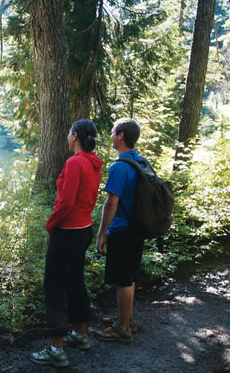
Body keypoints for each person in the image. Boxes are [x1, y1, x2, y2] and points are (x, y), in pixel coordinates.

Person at [30, 119, 103, 368]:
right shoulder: (94, 163)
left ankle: (56, 350)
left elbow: (66, 202)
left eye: (69, 132)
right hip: (83, 230)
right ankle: (80, 335)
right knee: (75, 282)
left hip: (67, 232)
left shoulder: (75, 163)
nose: (67, 135)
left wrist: (51, 225)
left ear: (74, 137)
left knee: (54, 288)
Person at [94, 118, 145, 344]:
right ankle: (127, 319)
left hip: (122, 230)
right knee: (130, 276)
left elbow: (111, 204)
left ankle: (122, 328)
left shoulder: (119, 166)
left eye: (113, 131)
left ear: (121, 135)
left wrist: (102, 233)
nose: (111, 135)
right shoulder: (141, 162)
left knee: (123, 280)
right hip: (138, 228)